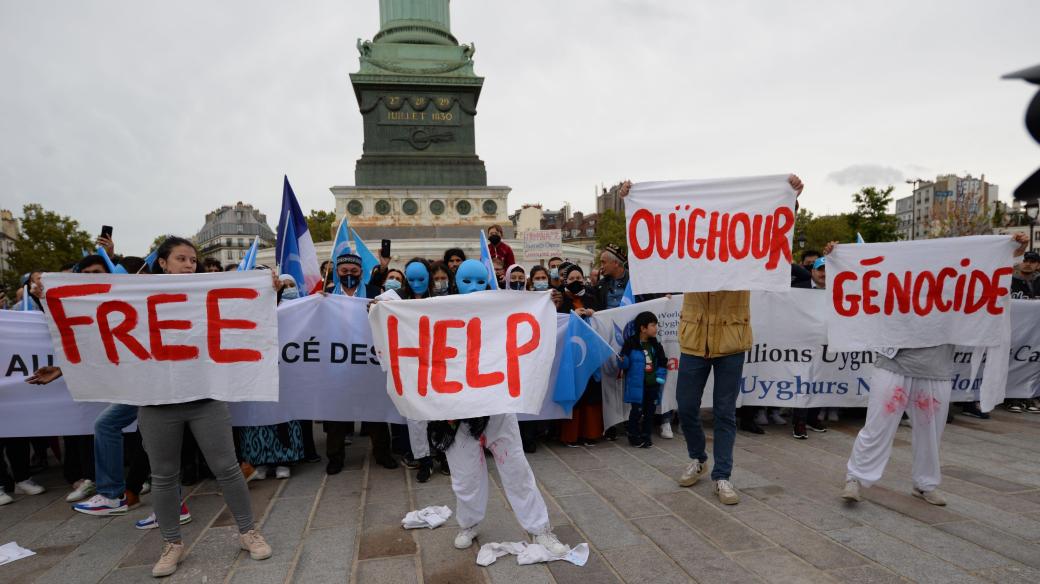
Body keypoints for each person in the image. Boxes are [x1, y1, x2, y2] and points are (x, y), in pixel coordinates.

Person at [619, 174, 805, 506]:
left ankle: (723, 475)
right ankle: (698, 457)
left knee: (724, 412)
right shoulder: (689, 251)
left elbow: (771, 232)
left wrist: (790, 197)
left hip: (731, 340)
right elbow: (656, 234)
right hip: (695, 341)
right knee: (686, 406)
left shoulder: (745, 252)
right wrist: (632, 200)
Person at [842, 233, 1031, 506]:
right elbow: (864, 277)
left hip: (936, 367)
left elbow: (988, 271)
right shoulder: (899, 278)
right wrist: (839, 255)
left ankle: (924, 483)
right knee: (877, 425)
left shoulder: (956, 286)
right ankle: (855, 478)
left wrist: (1013, 248)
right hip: (894, 363)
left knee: (930, 433)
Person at [136, 237, 271, 577]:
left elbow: (245, 312)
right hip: (157, 402)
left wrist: (268, 289)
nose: (189, 265)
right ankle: (172, 544)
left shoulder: (206, 296)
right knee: (164, 476)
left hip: (204, 398)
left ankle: (247, 531)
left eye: (193, 261)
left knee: (227, 468)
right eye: (180, 259)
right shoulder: (138, 299)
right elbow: (103, 338)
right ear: (162, 263)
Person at [422, 259, 567, 555]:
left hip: (497, 406)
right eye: (465, 281)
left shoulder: (499, 308)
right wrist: (379, 307)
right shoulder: (437, 307)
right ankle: (469, 523)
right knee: (464, 476)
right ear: (453, 281)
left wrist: (545, 301)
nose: (472, 288)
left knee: (516, 468)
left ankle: (540, 528)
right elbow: (402, 317)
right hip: (455, 411)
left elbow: (527, 320)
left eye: (479, 281)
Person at [324, 253, 399, 475]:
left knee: (374, 411)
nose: (349, 275)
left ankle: (383, 453)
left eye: (354, 271)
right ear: (337, 272)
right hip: (338, 364)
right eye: (344, 271)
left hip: (368, 362)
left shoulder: (375, 293)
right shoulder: (326, 295)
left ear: (361, 273)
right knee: (337, 414)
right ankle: (335, 457)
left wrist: (379, 308)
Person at [399, 259, 450, 482]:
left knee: (443, 411)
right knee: (416, 416)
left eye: (422, 278)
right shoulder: (397, 299)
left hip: (439, 363)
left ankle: (445, 453)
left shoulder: (441, 299)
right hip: (411, 367)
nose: (417, 283)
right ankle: (424, 459)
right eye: (412, 279)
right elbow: (374, 307)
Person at [556, 264, 604, 447]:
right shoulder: (561, 299)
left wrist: (594, 314)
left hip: (589, 352)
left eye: (579, 278)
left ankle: (590, 433)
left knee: (591, 391)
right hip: (571, 354)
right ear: (565, 281)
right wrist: (571, 316)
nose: (576, 282)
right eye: (571, 279)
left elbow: (603, 317)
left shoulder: (591, 297)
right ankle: (571, 435)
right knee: (574, 390)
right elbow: (557, 322)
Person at [619, 312, 668, 448]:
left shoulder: (656, 346)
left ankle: (646, 435)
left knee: (650, 413)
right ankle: (633, 436)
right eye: (653, 325)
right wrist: (623, 361)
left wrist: (659, 379)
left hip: (653, 386)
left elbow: (663, 363)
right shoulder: (631, 343)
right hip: (637, 386)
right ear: (643, 328)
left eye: (656, 325)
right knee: (636, 411)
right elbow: (625, 365)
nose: (656, 328)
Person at [792, 257, 828, 440]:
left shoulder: (837, 289)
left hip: (825, 344)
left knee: (821, 380)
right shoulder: (797, 289)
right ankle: (799, 421)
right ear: (812, 271)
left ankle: (813, 418)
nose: (824, 273)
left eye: (827, 270)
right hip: (801, 344)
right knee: (802, 381)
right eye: (820, 269)